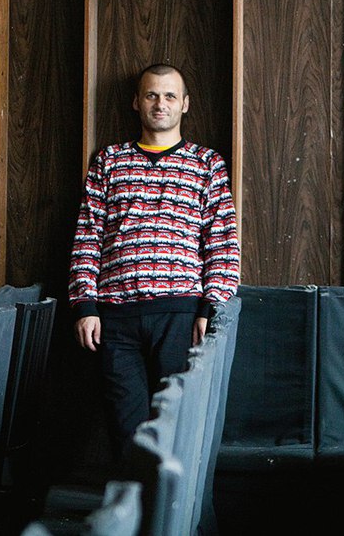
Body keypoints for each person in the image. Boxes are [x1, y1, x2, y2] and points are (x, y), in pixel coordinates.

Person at [69, 63, 240, 457]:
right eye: (151, 95)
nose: (160, 104)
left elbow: (223, 244)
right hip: (115, 319)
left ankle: (171, 501)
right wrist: (85, 305)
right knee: (126, 433)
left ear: (184, 104)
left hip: (181, 316)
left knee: (178, 434)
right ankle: (133, 499)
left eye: (169, 96)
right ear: (136, 102)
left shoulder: (206, 164)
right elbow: (87, 237)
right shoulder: (108, 161)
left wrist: (210, 306)